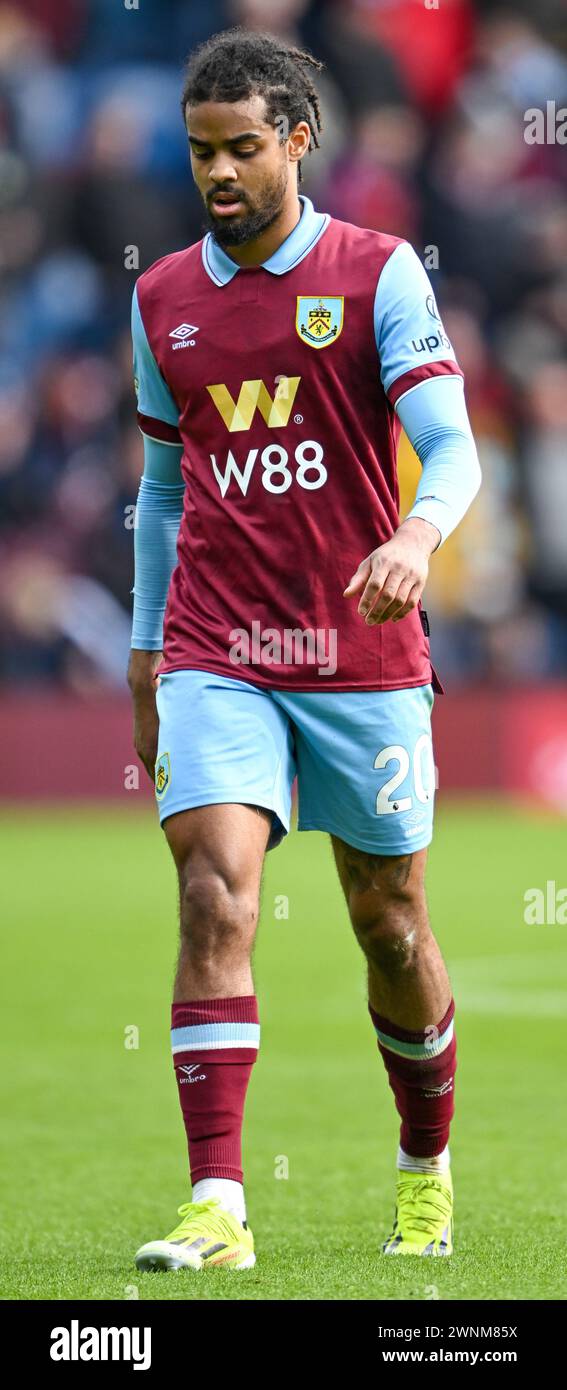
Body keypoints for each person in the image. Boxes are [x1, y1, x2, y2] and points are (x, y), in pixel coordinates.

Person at [128, 26, 481, 1272]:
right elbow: (168, 492)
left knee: (389, 925)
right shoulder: (159, 297)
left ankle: (424, 1169)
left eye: (239, 149)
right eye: (197, 151)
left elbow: (452, 446)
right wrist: (142, 649)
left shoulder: (379, 273)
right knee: (215, 888)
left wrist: (416, 538)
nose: (216, 173)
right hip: (219, 645)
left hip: (360, 650)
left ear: (297, 139)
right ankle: (218, 1206)